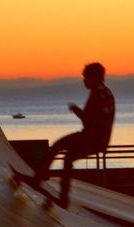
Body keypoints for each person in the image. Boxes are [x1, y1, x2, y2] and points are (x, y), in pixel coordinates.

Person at [35, 62, 115, 208]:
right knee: (68, 157)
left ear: (94, 77)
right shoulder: (103, 92)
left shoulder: (100, 94)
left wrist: (76, 110)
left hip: (93, 138)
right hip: (97, 139)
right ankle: (63, 198)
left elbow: (92, 120)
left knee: (58, 146)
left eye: (86, 77)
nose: (84, 80)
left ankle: (38, 179)